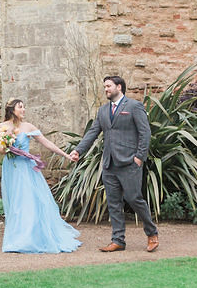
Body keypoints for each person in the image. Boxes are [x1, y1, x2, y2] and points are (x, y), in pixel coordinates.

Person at [68, 76, 160, 253]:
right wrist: (78, 150)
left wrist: (139, 157)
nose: (106, 89)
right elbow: (93, 132)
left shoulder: (134, 106)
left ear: (119, 87)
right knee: (113, 203)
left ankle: (152, 233)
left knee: (134, 199)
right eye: (105, 86)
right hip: (109, 164)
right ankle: (118, 240)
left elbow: (145, 132)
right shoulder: (103, 111)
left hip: (129, 163)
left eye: (109, 86)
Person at [0, 99, 82, 254]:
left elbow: (46, 143)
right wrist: (6, 141)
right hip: (11, 168)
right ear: (12, 109)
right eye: (20, 107)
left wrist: (66, 155)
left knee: (29, 200)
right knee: (15, 202)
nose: (23, 109)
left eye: (24, 107)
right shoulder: (2, 127)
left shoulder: (28, 126)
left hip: (26, 167)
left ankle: (30, 237)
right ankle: (17, 237)